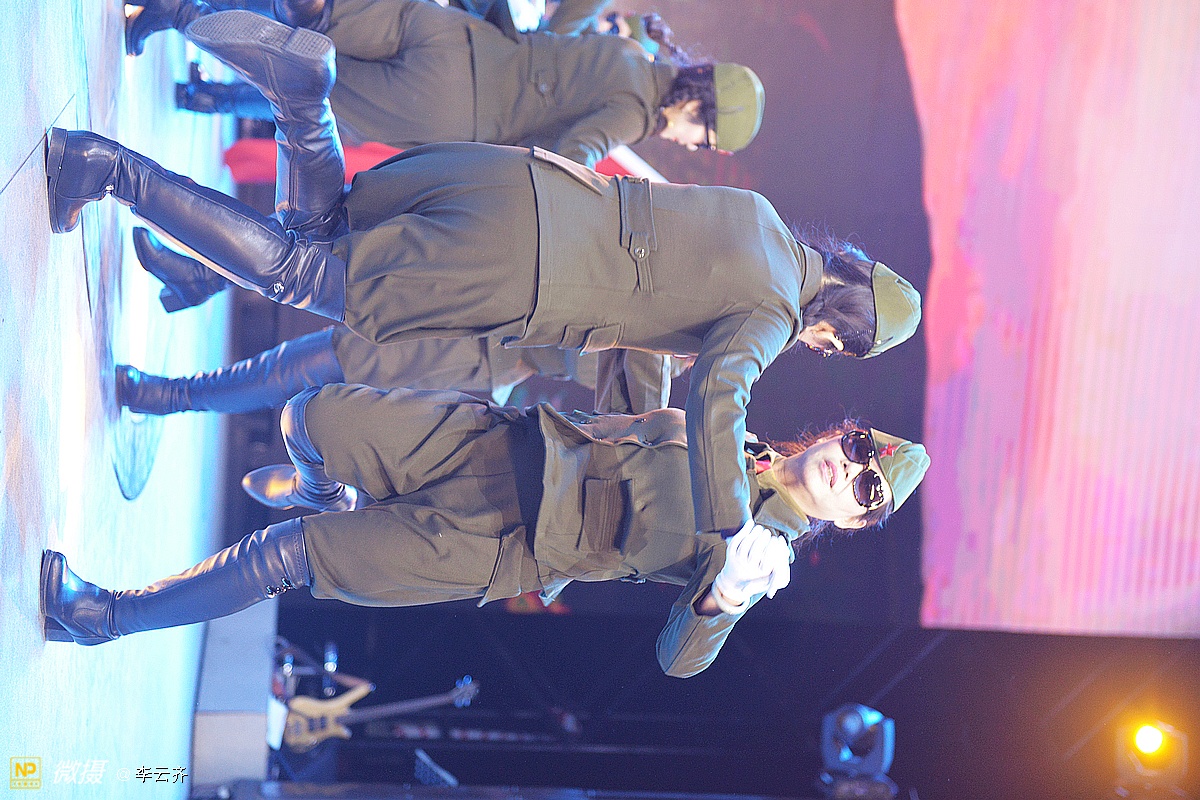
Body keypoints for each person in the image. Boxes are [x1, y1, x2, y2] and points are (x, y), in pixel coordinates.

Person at [45, 10, 921, 550]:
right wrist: (731, 528)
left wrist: (647, 402)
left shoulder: (760, 216)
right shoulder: (772, 311)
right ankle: (128, 161)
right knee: (303, 277)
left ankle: (297, 105)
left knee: (320, 234)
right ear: (839, 331)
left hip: (507, 182)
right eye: (834, 347)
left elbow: (647, 322)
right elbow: (721, 393)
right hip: (514, 278)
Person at [40, 384, 931, 677]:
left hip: (502, 542)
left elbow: (680, 657)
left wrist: (724, 598)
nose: (847, 470)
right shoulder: (741, 431)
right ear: (839, 432)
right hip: (501, 444)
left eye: (866, 490)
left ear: (855, 520)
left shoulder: (764, 552)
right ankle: (329, 494)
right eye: (859, 449)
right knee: (308, 417)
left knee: (283, 560)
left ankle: (102, 615)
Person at [131, 0, 765, 169]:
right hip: (446, 108)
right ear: (696, 104)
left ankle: (183, 9)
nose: (690, 145)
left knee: (314, 16)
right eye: (703, 137)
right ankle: (177, 14)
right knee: (297, 72)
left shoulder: (629, 51)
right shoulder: (633, 112)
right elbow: (569, 157)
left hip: (453, 34)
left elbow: (557, 27)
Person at [115, 322, 690, 415]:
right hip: (471, 318)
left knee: (320, 360)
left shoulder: (651, 362)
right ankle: (193, 279)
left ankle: (172, 396)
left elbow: (562, 352)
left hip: (471, 350)